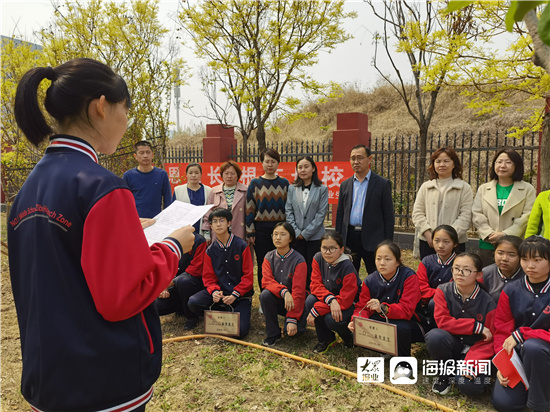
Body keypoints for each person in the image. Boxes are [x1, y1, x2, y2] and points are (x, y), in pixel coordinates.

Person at [8, 58, 196, 412]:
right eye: (124, 109)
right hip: (103, 381)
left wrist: (126, 237)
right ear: (100, 107)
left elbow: (64, 263)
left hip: (46, 377)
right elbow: (122, 295)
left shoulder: (28, 191)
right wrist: (173, 246)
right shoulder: (102, 187)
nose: (126, 121)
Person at [492, 236, 550, 412]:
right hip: (518, 357)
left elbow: (523, 336)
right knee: (505, 404)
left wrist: (522, 334)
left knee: (533, 347)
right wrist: (502, 364)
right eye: (525, 259)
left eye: (537, 260)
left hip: (544, 354)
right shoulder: (511, 290)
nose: (529, 265)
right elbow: (501, 330)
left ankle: (540, 405)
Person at [425, 253, 496, 396]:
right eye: (456, 268)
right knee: (435, 336)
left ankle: (465, 369)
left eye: (467, 270)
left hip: (474, 349)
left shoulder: (488, 302)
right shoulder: (442, 290)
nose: (460, 273)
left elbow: (490, 339)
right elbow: (442, 322)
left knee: (471, 388)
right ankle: (445, 374)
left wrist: (472, 363)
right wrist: (476, 327)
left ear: (478, 275)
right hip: (452, 343)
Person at [348, 240, 423, 357]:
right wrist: (357, 320)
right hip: (383, 321)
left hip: (410, 323)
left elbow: (407, 310)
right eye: (378, 259)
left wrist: (383, 308)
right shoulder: (370, 280)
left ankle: (403, 360)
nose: (382, 263)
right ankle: (387, 350)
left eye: (387, 259)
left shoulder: (409, 277)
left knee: (398, 327)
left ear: (398, 261)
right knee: (360, 330)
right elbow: (362, 307)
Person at [189, 208, 254, 338]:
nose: (218, 224)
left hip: (239, 295)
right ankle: (220, 309)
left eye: (222, 220)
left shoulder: (241, 246)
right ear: (211, 226)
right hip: (220, 293)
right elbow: (208, 277)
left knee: (240, 332)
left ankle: (227, 311)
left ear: (229, 223)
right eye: (215, 221)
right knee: (193, 302)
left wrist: (235, 294)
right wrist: (214, 291)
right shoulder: (210, 250)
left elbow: (248, 277)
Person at [336, 144, 395, 275]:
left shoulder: (382, 184)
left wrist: (388, 243)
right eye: (353, 158)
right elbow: (340, 215)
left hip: (374, 238)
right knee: (349, 274)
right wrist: (339, 240)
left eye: (360, 158)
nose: (356, 161)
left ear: (369, 159)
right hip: (350, 237)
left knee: (376, 274)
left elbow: (388, 216)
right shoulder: (345, 185)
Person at [472, 147, 536, 267]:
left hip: (513, 244)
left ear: (516, 166)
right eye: (499, 162)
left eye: (508, 162)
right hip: (487, 243)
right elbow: (477, 214)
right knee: (488, 279)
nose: (502, 165)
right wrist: (489, 233)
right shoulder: (484, 189)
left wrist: (505, 234)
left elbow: (527, 216)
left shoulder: (527, 189)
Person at [412, 147, 473, 259]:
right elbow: (417, 213)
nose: (441, 164)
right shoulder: (426, 187)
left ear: (454, 164)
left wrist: (448, 238)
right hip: (428, 241)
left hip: (455, 243)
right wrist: (428, 233)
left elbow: (466, 216)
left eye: (446, 161)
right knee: (429, 274)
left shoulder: (464, 188)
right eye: (438, 161)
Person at [305, 232, 360, 353]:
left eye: (332, 248)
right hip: (330, 300)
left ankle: (349, 337)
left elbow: (347, 299)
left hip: (349, 304)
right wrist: (331, 299)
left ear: (341, 250)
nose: (327, 252)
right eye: (324, 248)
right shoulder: (318, 258)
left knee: (331, 319)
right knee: (310, 301)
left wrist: (317, 309)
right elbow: (315, 284)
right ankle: (326, 339)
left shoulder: (347, 266)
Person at [246, 148, 289, 290]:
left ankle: (279, 292)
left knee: (281, 262)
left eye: (273, 161)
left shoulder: (284, 183)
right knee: (264, 262)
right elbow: (250, 208)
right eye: (267, 161)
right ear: (262, 163)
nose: (270, 164)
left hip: (281, 229)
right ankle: (265, 293)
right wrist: (250, 231)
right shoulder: (255, 183)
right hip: (261, 229)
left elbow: (289, 207)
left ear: (278, 164)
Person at [260, 222, 307, 346]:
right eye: (275, 234)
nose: (278, 238)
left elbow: (299, 290)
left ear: (291, 238)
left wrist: (292, 318)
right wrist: (284, 291)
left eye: (282, 234)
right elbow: (267, 281)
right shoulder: (268, 257)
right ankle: (273, 333)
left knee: (294, 334)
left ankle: (293, 321)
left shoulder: (299, 260)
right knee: (265, 295)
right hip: (280, 298)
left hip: (295, 301)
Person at [285, 156, 328, 289]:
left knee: (313, 269)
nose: (303, 170)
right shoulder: (292, 188)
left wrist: (306, 233)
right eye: (300, 167)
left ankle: (312, 295)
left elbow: (321, 214)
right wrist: (297, 232)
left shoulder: (322, 189)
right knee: (297, 268)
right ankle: (298, 295)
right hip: (297, 237)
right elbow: (288, 211)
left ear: (313, 168)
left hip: (314, 237)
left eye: (306, 166)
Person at [155, 232, 207, 330]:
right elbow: (162, 266)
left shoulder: (199, 240)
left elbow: (196, 269)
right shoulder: (167, 239)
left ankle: (191, 317)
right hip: (172, 287)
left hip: (191, 284)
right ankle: (180, 308)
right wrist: (162, 287)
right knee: (155, 307)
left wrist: (168, 284)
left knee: (183, 281)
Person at [416, 225, 459, 331]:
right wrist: (437, 294)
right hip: (426, 302)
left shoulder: (460, 262)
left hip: (452, 304)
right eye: (436, 241)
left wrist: (439, 296)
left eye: (446, 242)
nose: (440, 246)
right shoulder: (427, 261)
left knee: (434, 303)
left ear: (455, 244)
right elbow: (420, 286)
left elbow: (457, 289)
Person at [123, 140, 173, 218]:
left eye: (148, 152)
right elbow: (124, 201)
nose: (145, 156)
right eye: (141, 153)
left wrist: (167, 218)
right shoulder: (128, 176)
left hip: (156, 220)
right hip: (137, 221)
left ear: (152, 155)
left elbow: (168, 199)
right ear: (135, 156)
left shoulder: (162, 174)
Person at [202, 160, 247, 242]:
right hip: (219, 231)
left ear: (238, 175)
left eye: (232, 173)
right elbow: (208, 213)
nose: (229, 176)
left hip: (239, 231)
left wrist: (250, 233)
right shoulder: (214, 191)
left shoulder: (245, 191)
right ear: (222, 175)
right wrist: (207, 232)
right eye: (226, 173)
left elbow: (250, 213)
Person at [480, 235, 524, 304]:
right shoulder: (485, 273)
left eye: (511, 255)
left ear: (521, 257)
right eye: (500, 253)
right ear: (494, 253)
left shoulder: (527, 276)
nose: (504, 259)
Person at [173, 163, 212, 235]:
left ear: (201, 175)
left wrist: (207, 233)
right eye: (190, 173)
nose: (193, 175)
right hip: (184, 231)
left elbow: (210, 213)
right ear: (186, 175)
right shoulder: (178, 190)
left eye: (196, 173)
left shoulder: (208, 191)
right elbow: (174, 213)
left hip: (202, 231)